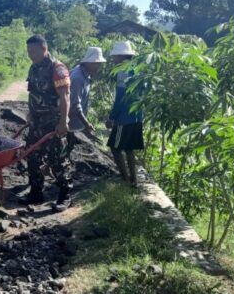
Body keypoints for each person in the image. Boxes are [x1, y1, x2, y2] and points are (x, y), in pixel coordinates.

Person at [22, 35, 72, 209]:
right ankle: (36, 193)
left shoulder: (57, 69)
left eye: (33, 51)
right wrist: (30, 113)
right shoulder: (33, 68)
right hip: (36, 122)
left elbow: (65, 97)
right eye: (28, 51)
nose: (30, 55)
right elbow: (33, 94)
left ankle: (65, 196)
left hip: (53, 123)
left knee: (57, 160)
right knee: (32, 157)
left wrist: (63, 122)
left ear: (44, 48)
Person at [62, 47, 106, 209]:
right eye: (96, 64)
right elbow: (75, 105)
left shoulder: (85, 75)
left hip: (75, 122)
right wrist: (87, 123)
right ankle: (55, 172)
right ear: (88, 63)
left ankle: (51, 168)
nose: (98, 67)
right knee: (65, 146)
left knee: (68, 146)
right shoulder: (78, 78)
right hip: (70, 121)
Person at [105, 41, 144, 188]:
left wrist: (112, 116)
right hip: (137, 115)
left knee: (115, 148)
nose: (113, 59)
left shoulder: (123, 71)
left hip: (124, 118)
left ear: (122, 56)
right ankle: (134, 180)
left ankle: (125, 180)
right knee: (129, 148)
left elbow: (121, 96)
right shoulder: (138, 69)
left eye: (115, 56)